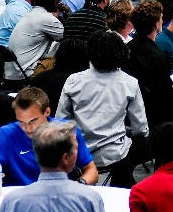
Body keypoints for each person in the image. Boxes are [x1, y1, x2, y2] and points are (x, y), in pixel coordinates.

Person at [56, 31, 150, 186]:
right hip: (115, 153)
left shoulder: (73, 80)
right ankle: (124, 180)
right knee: (145, 140)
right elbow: (140, 128)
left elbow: (61, 123)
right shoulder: (130, 83)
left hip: (80, 152)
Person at [0, 85, 99, 187]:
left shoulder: (67, 131)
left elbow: (92, 171)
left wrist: (78, 185)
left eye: (33, 120)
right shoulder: (3, 135)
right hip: (19, 198)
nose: (28, 128)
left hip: (58, 195)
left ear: (47, 111)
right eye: (21, 122)